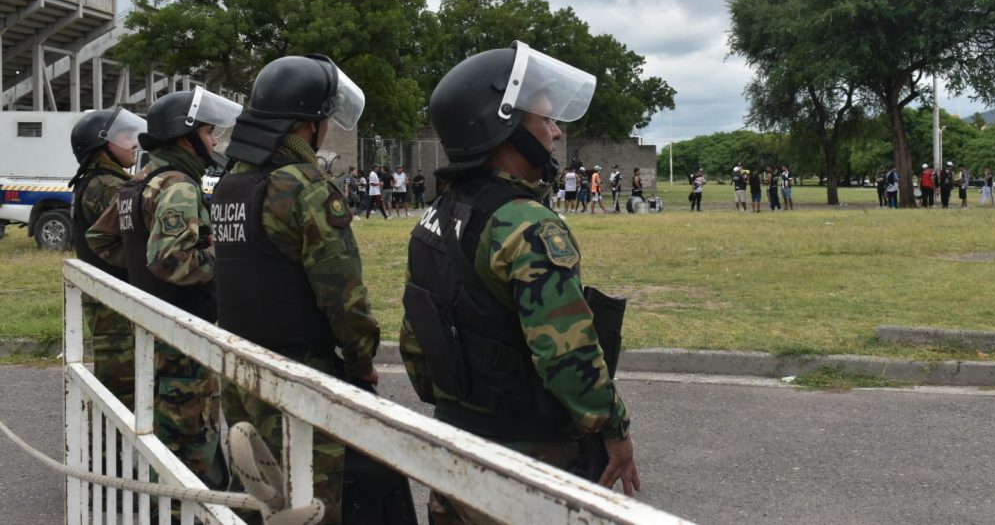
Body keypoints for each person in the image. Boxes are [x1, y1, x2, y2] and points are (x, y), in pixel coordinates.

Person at [400, 41, 640, 524]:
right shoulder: (528, 224)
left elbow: (416, 338)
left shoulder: (437, 214)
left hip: (453, 446)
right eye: (546, 121)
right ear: (505, 127)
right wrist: (614, 428)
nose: (555, 134)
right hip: (524, 462)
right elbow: (566, 354)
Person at [210, 54, 383, 522]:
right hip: (298, 374)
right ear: (308, 126)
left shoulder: (232, 184)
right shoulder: (304, 186)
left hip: (239, 366)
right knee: (310, 504)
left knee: (255, 495)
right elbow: (342, 293)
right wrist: (363, 362)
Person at [87, 87, 242, 488]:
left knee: (162, 451)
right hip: (183, 344)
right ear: (185, 136)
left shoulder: (137, 182)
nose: (215, 142)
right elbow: (170, 261)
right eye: (209, 133)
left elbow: (101, 240)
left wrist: (140, 268)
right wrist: (223, 258)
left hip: (151, 333)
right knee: (187, 462)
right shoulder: (178, 187)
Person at [69, 107, 146, 408]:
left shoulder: (92, 182)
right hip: (114, 301)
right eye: (126, 137)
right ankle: (107, 451)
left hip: (105, 299)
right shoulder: (107, 185)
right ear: (103, 145)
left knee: (117, 378)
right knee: (122, 387)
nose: (134, 142)